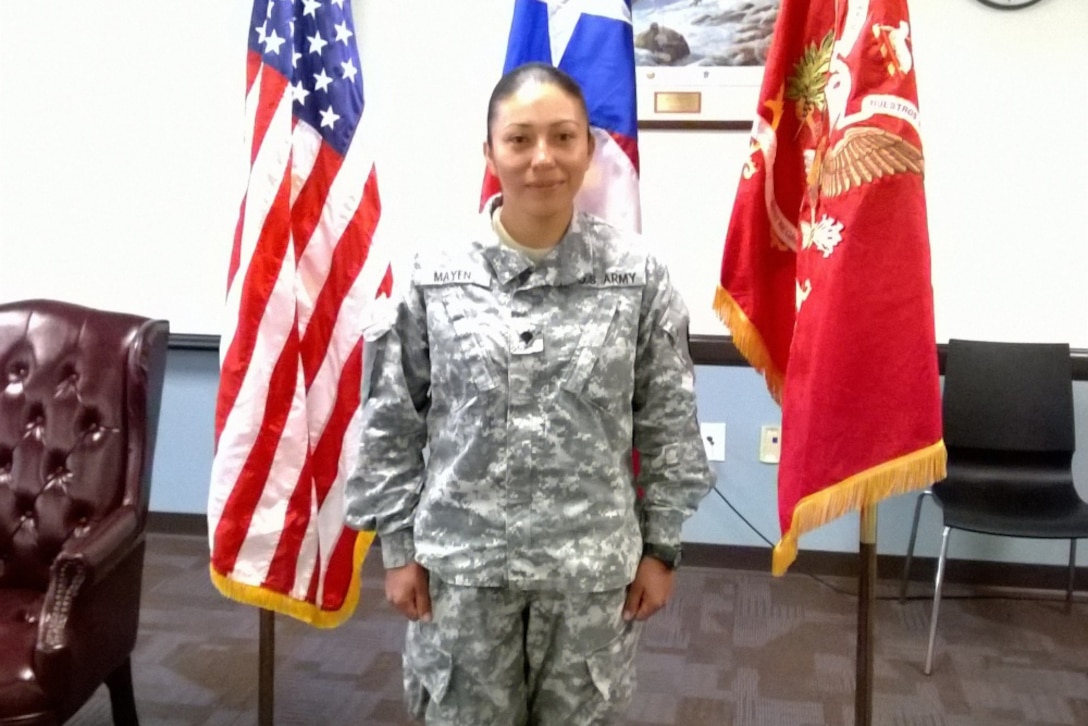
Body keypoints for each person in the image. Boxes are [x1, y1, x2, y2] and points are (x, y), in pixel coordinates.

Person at [345, 62, 714, 725]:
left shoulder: (637, 276)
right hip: (463, 574)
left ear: (589, 150)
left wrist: (661, 549)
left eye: (563, 137)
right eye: (519, 139)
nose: (542, 159)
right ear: (489, 153)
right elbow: (391, 422)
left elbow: (667, 422)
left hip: (590, 575)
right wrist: (398, 551)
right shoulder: (434, 273)